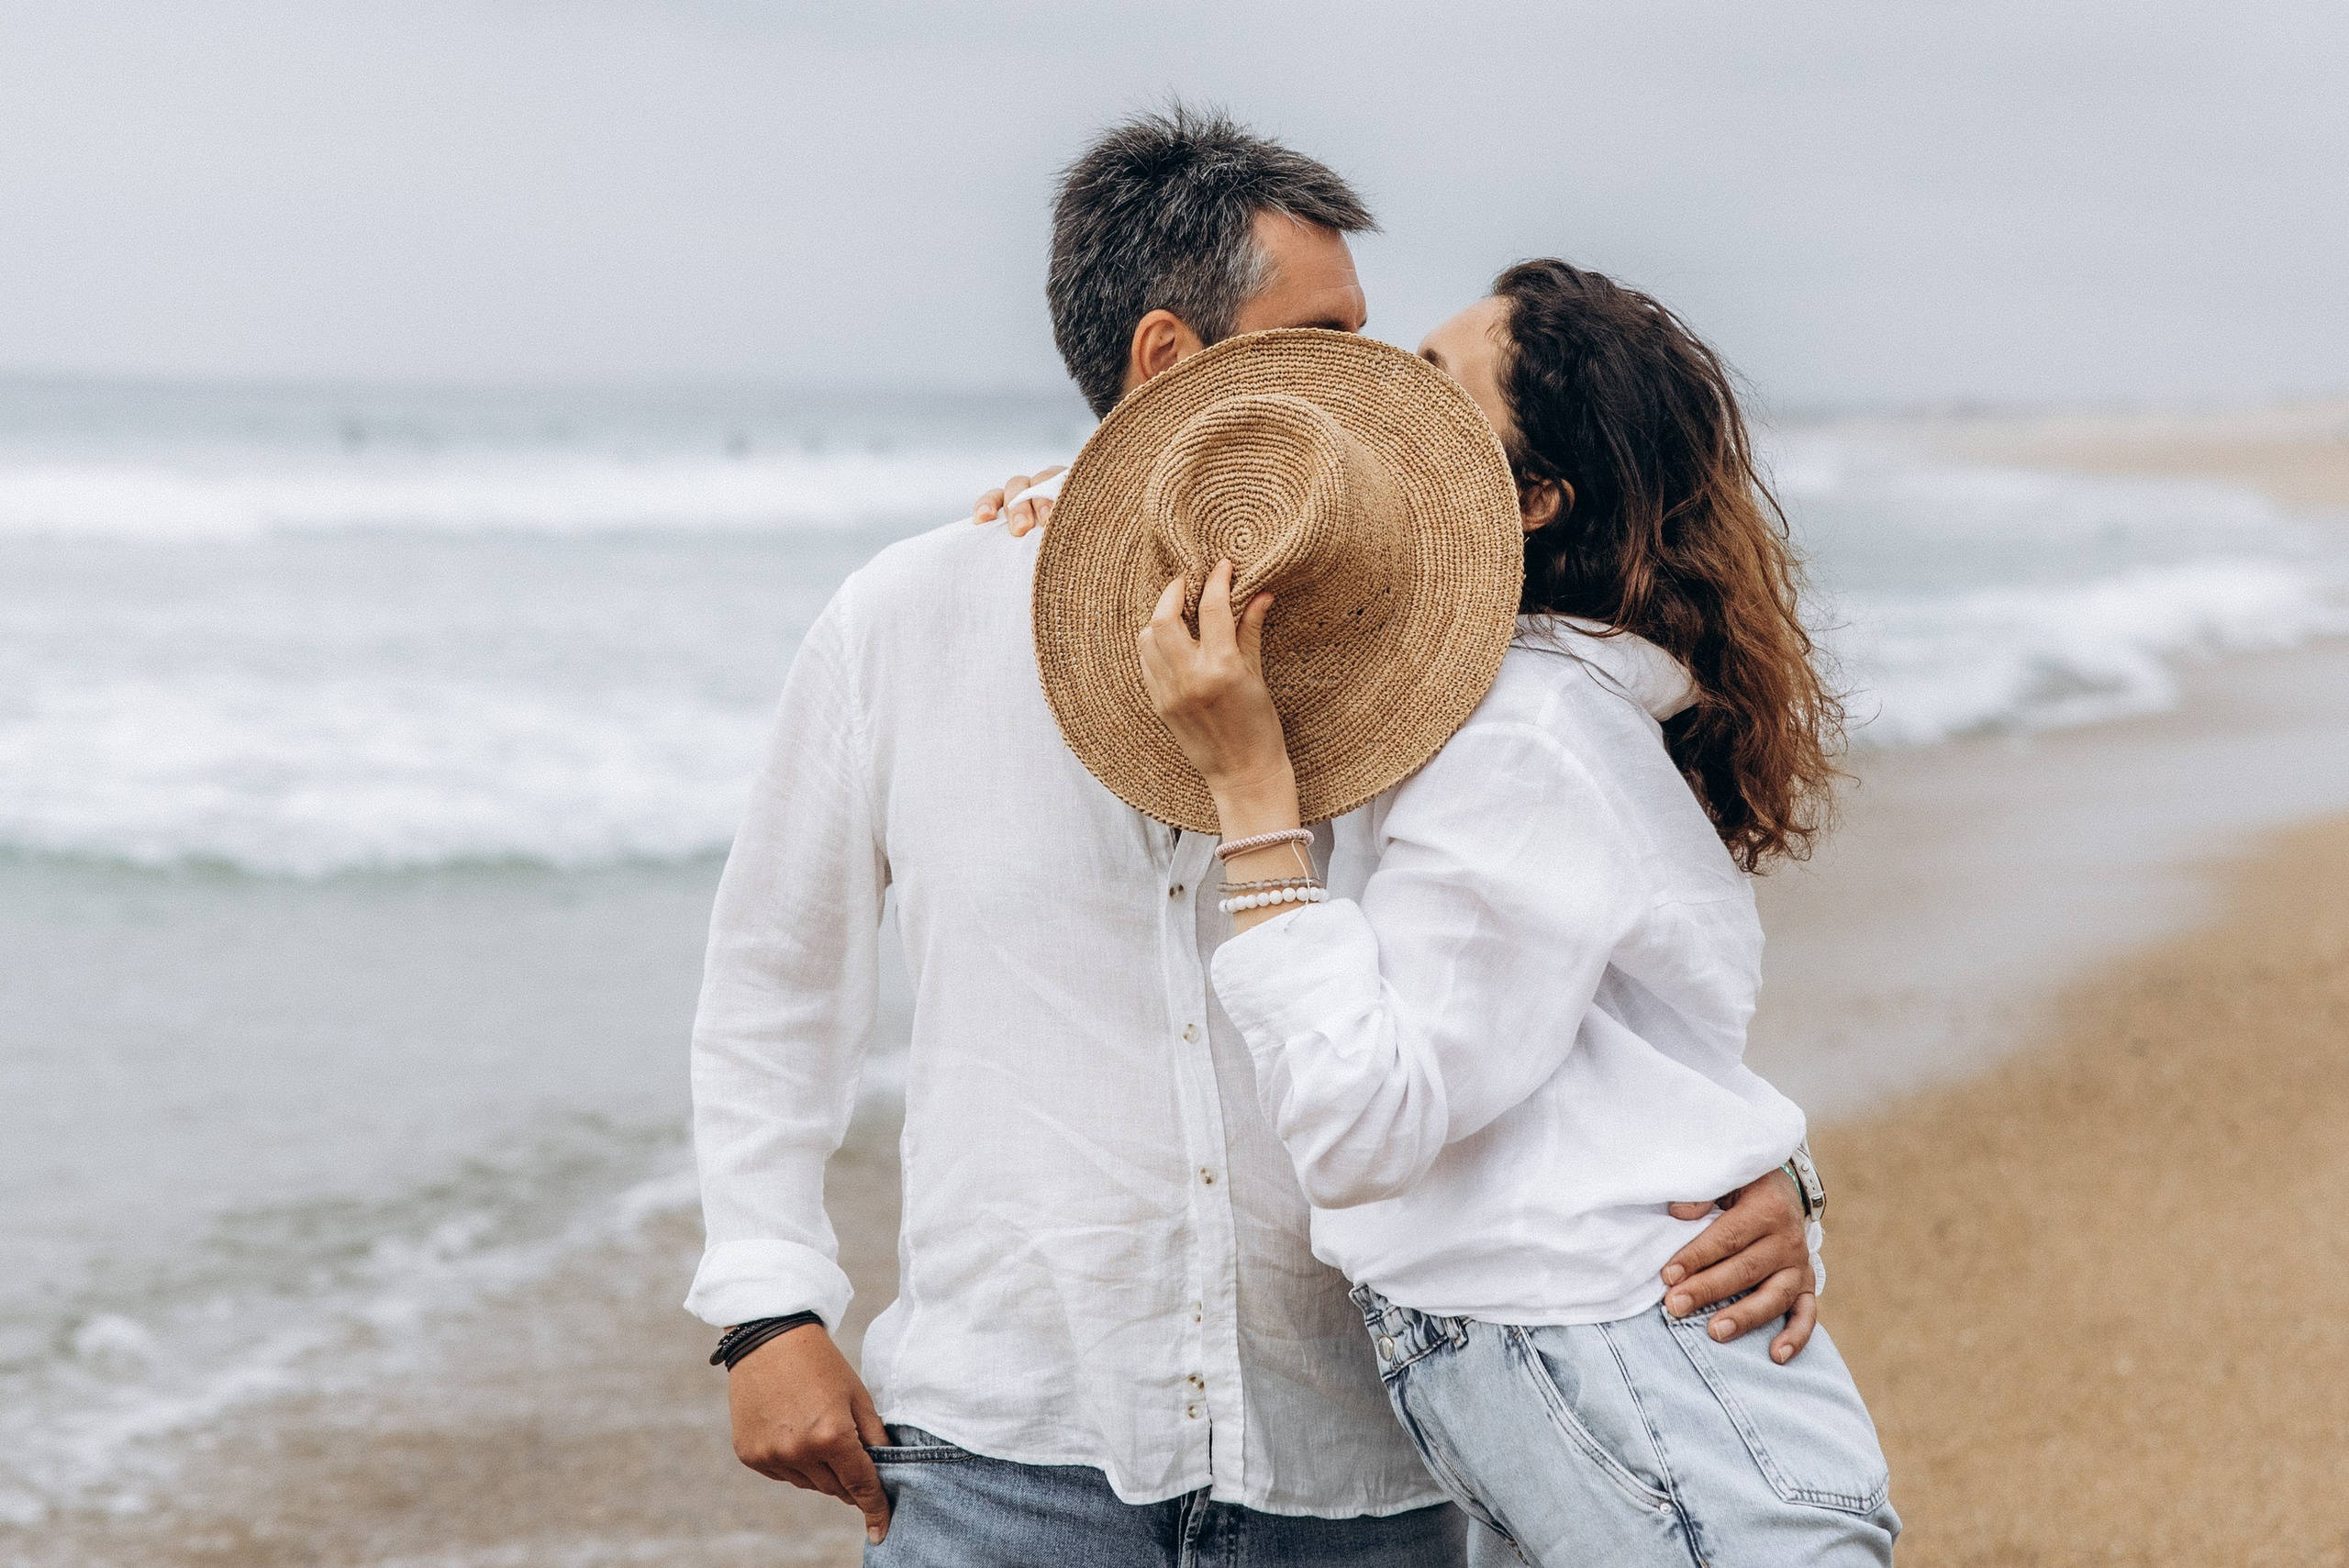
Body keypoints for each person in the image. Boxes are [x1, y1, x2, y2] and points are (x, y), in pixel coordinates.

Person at [691, 107, 1823, 1568]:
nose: (1366, 379)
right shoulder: (904, 624)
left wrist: (1772, 1173)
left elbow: (1611, 967)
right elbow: (776, 983)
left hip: (1362, 1455)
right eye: (1325, 336)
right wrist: (767, 1304)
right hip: (1006, 1447)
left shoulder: (1445, 654)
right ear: (1170, 361)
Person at [1108, 260, 1898, 1563]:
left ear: (1532, 500)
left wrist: (1253, 794)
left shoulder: (1526, 732)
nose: (1379, 405)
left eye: (1432, 384)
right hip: (1609, 1390)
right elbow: (1634, 1054)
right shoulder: (1490, 705)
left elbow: (1368, 1120)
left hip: (1633, 1398)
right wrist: (1079, 511)